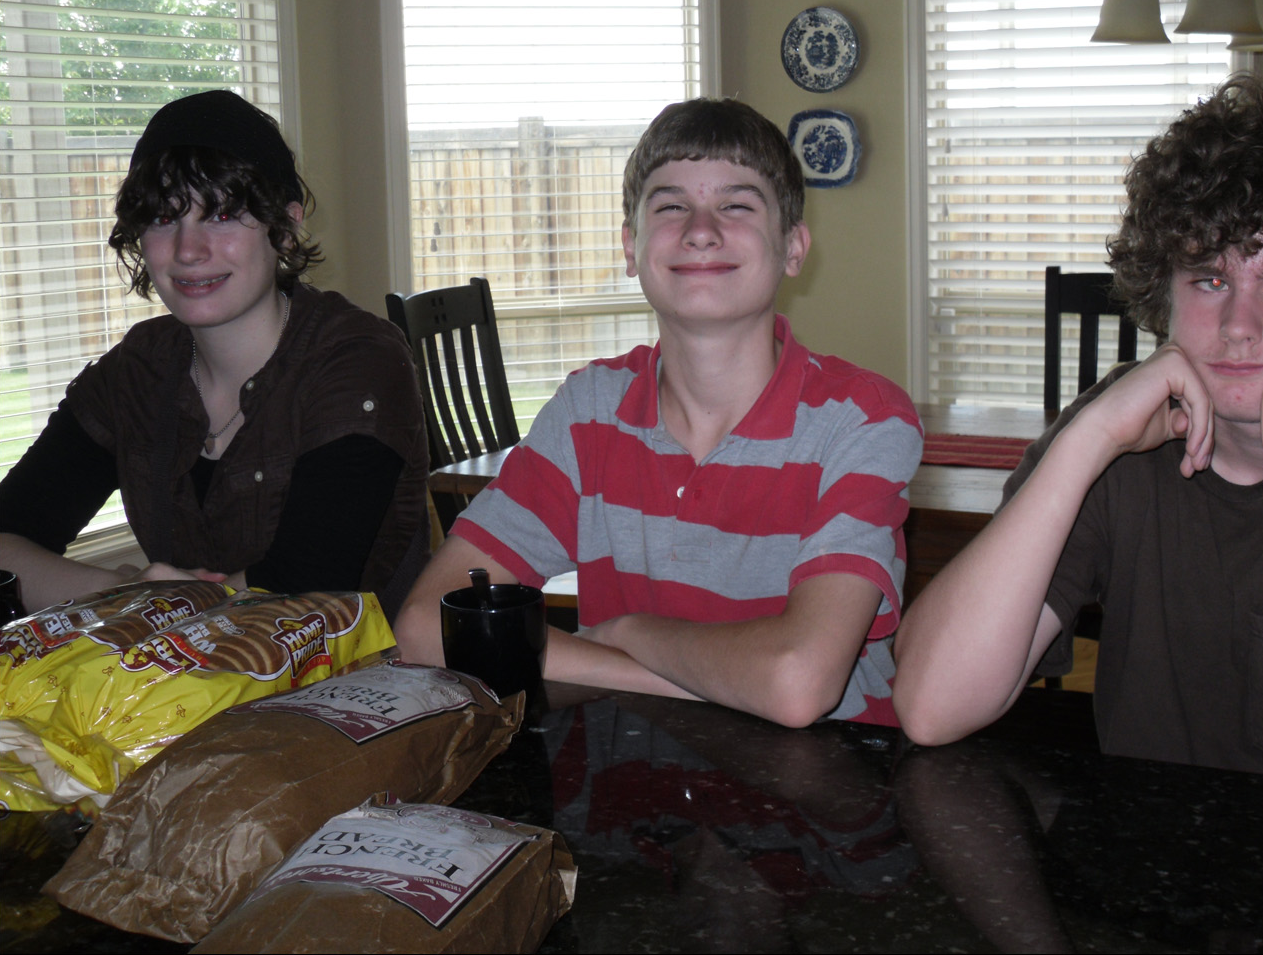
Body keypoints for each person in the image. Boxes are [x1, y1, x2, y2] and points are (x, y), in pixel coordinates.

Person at [893, 79, 1263, 833]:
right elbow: (928, 704)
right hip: (1155, 873)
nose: (1238, 325)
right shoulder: (1123, 433)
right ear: (1165, 296)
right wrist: (1087, 439)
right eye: (1209, 279)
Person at [394, 98, 922, 727]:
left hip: (822, 797)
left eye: (738, 204)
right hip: (627, 797)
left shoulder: (860, 419)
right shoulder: (589, 412)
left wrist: (632, 631)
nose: (701, 229)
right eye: (670, 206)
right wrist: (660, 673)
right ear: (631, 246)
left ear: (793, 248)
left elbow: (797, 682)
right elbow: (426, 628)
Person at [0, 91, 429, 615]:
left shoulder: (358, 362)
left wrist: (166, 603)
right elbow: (8, 536)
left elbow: (302, 588)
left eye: (222, 214)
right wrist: (125, 594)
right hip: (180, 686)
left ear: (287, 229)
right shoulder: (136, 373)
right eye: (162, 218)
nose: (187, 249)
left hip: (358, 684)